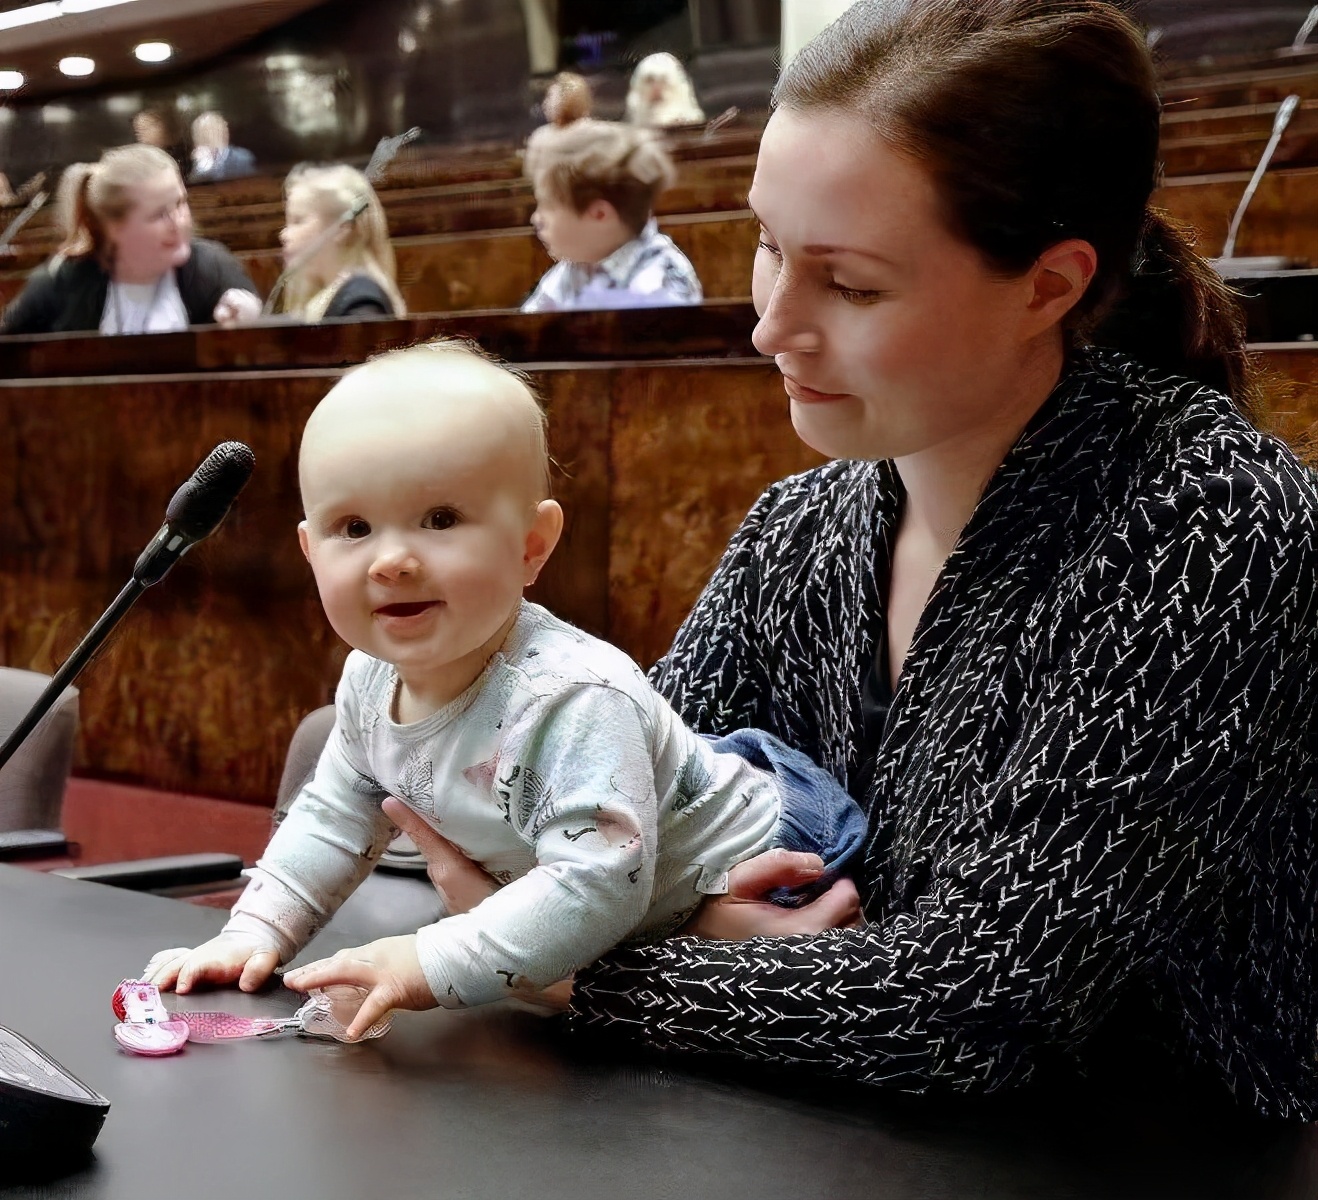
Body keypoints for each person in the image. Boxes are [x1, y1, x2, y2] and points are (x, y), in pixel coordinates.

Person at [281, 0, 1318, 1120]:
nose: (772, 324)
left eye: (852, 284)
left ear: (1048, 287)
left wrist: (573, 969)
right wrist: (638, 931)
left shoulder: (1213, 522)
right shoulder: (799, 527)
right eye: (768, 245)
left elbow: (969, 1013)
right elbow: (606, 852)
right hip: (786, 1133)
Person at [143, 340, 866, 1034]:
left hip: (771, 854)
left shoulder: (570, 697)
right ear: (309, 551)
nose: (390, 560)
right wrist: (255, 930)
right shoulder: (370, 679)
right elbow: (335, 815)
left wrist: (428, 958)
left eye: (441, 519)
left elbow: (596, 884)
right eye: (353, 526)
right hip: (611, 877)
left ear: (533, 544)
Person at [0, 144, 262, 336]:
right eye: (159, 214)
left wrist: (250, 322)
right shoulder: (60, 281)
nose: (179, 222)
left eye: (181, 203)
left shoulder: (214, 267)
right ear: (114, 227)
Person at [521, 119, 702, 312]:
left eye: (547, 206)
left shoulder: (660, 282)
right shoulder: (576, 267)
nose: (536, 218)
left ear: (599, 215)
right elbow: (528, 326)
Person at [276, 163, 405, 321]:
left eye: (298, 220)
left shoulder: (362, 302)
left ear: (342, 228)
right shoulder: (330, 294)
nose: (284, 234)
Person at [624, 52, 705, 128]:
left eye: (663, 81)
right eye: (650, 81)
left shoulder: (690, 122)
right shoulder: (636, 122)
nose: (656, 88)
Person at [188, 111, 257, 185]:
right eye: (197, 134)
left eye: (206, 132)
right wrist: (201, 167)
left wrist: (208, 168)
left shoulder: (242, 157)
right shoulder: (200, 161)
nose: (200, 138)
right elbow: (193, 189)